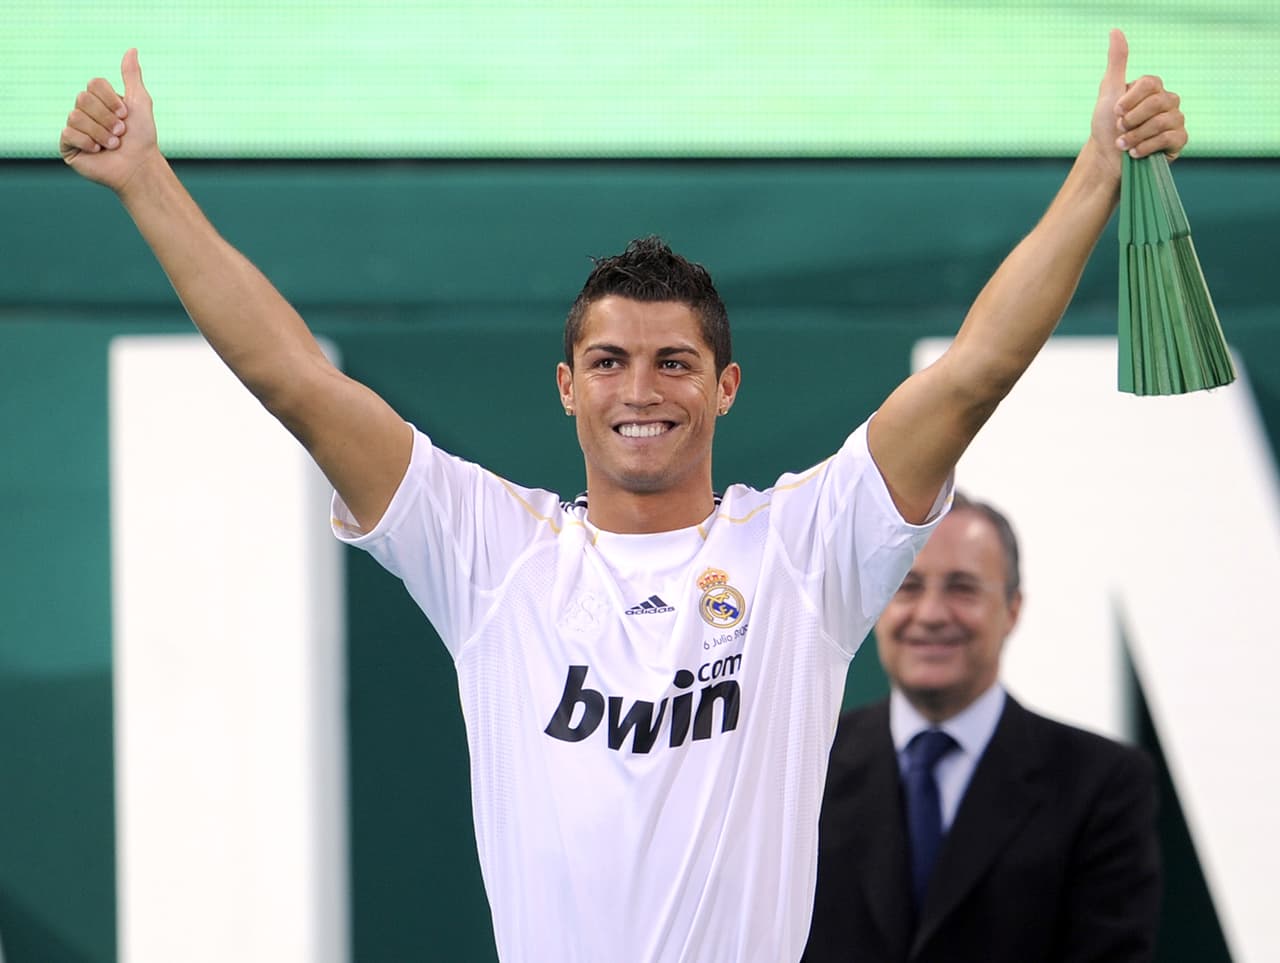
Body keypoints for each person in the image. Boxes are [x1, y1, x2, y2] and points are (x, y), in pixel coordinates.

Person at [60, 32, 1184, 962]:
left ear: (725, 386)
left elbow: (972, 372)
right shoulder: (491, 553)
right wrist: (148, 184)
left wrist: (1094, 172)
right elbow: (294, 381)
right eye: (607, 363)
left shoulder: (799, 550)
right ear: (565, 388)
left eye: (672, 362)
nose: (638, 391)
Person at [803, 493, 1162, 962]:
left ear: (1012, 610)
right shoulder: (808, 764)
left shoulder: (1103, 781)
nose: (931, 614)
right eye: (907, 587)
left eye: (963, 588)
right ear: (876, 607)